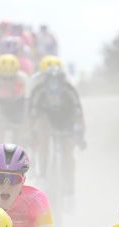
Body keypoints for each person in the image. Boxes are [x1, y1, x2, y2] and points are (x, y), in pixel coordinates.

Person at [28, 62, 85, 194]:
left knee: (68, 150)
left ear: (63, 81)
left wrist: (80, 136)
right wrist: (32, 134)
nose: (54, 85)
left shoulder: (70, 91)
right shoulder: (38, 91)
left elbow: (79, 116)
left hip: (66, 119)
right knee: (43, 138)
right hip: (47, 120)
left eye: (57, 81)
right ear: (45, 81)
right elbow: (32, 116)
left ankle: (70, 185)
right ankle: (42, 174)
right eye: (50, 81)